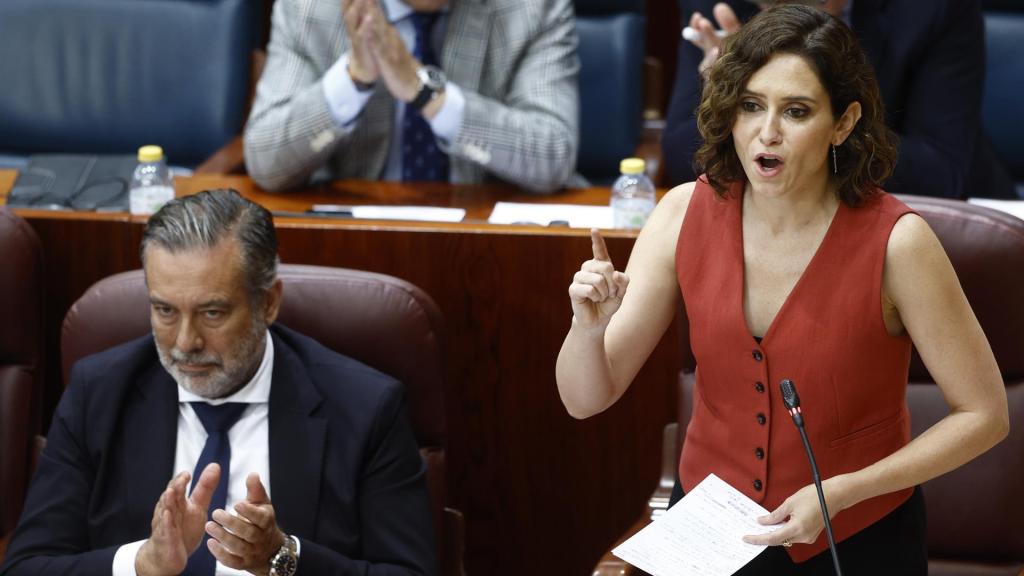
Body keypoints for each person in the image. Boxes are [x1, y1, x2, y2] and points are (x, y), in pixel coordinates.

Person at [557, 5, 1008, 573]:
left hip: (855, 536)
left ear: (843, 123)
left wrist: (843, 492)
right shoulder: (680, 215)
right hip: (708, 532)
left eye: (796, 111)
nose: (766, 132)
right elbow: (583, 399)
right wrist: (587, 328)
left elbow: (986, 415)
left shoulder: (899, 244)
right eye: (751, 106)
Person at [0, 190, 435, 575]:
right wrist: (142, 564)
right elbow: (28, 565)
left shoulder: (364, 407)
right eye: (165, 311)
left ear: (268, 303)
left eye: (212, 313)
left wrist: (284, 558)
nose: (185, 343)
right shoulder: (98, 394)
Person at [662, 0, 1017, 200]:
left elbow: (940, 171)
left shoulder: (932, 10)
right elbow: (681, 154)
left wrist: (817, 98)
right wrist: (726, 96)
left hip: (947, 224)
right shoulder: (718, 7)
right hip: (781, 224)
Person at [243, 0, 580, 193]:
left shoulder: (531, 9)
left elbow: (554, 156)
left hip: (487, 242)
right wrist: (354, 78)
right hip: (353, 240)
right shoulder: (311, 9)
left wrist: (426, 92)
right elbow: (266, 162)